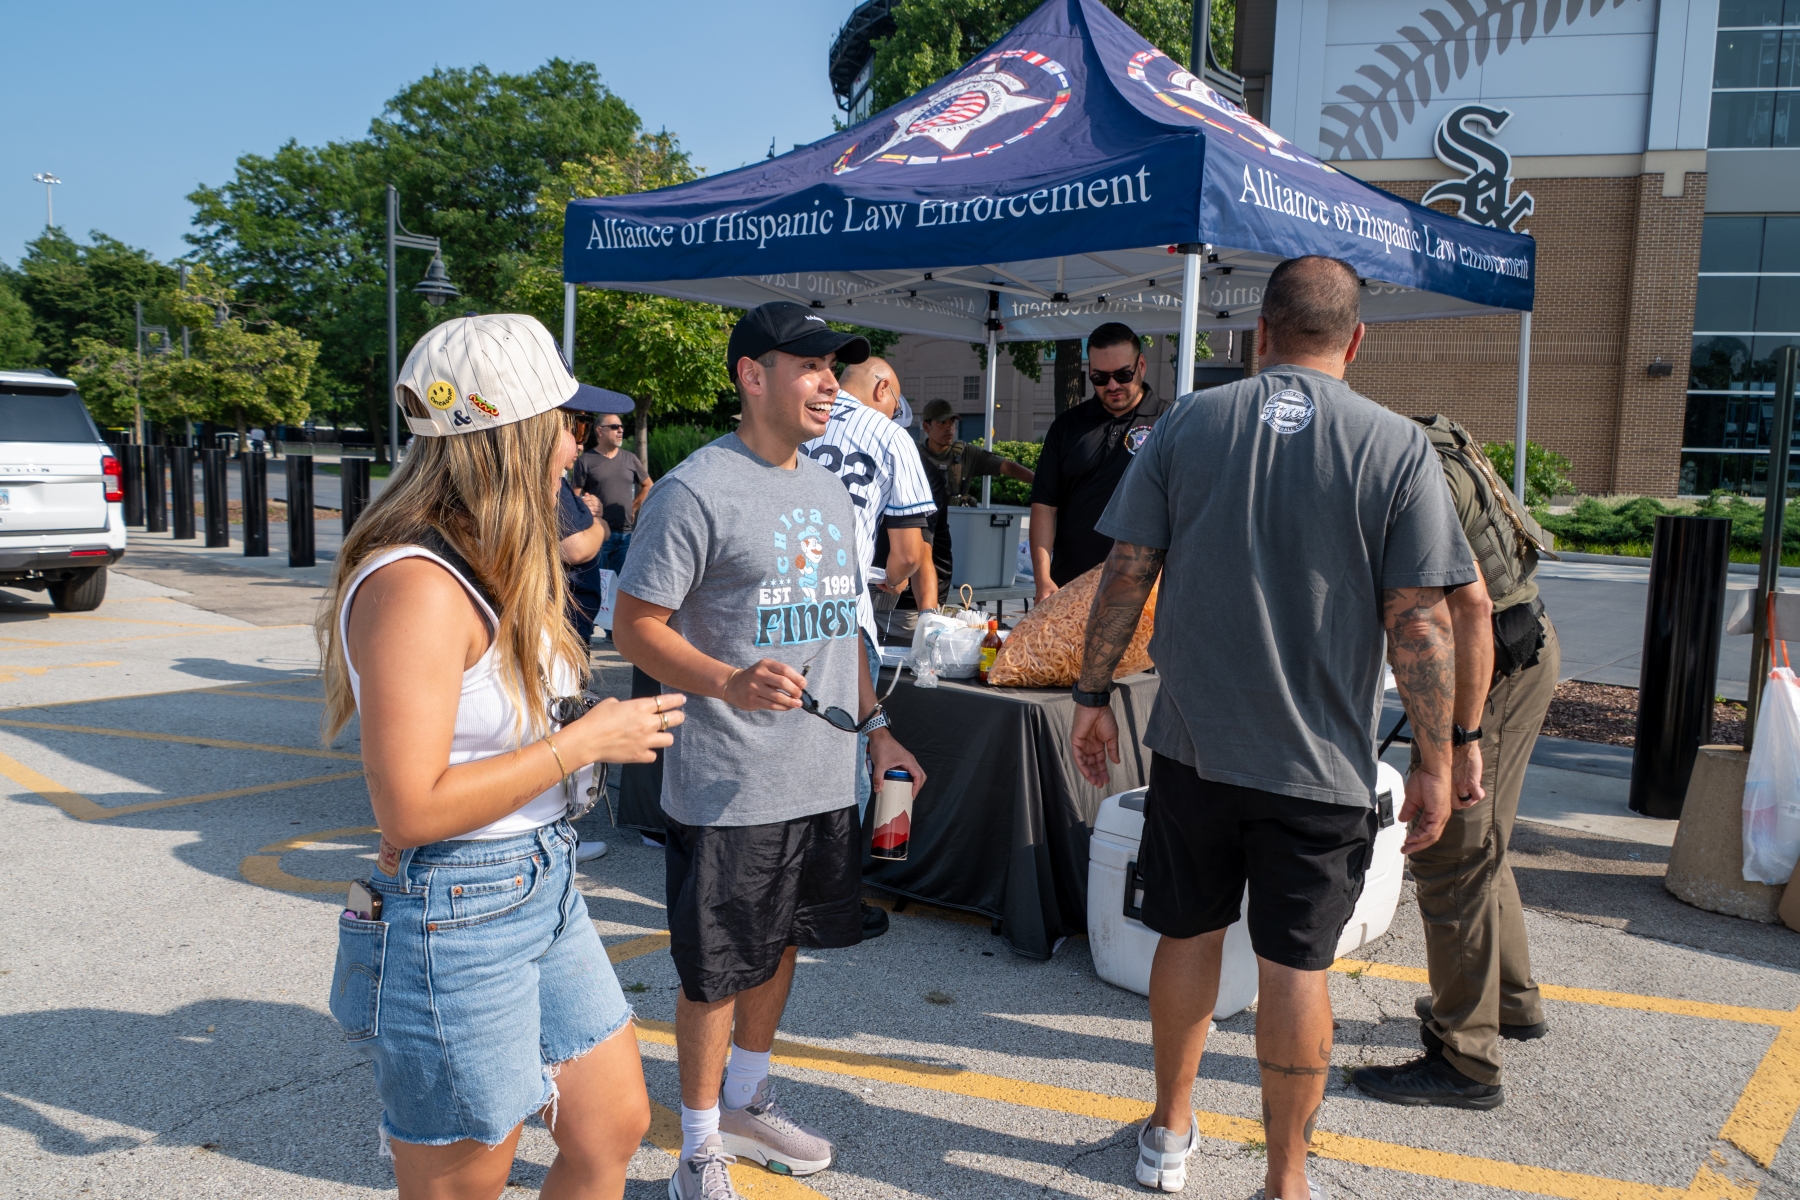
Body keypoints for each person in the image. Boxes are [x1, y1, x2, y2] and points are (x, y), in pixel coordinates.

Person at [1068, 258, 1472, 1199]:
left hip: (1194, 750)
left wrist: (1091, 694)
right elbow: (1421, 621)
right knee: (1296, 964)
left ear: (1259, 333)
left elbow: (1125, 570)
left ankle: (1170, 1130)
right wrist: (1438, 759)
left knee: (1186, 935)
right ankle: (1286, 1180)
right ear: (1356, 339)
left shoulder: (1188, 423)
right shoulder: (1395, 445)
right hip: (1322, 763)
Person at [317, 313, 683, 1200]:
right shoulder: (418, 583)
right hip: (458, 905)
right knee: (465, 1181)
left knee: (611, 1126)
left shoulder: (497, 554)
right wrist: (581, 743)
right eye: (566, 423)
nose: (577, 445)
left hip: (539, 878)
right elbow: (410, 808)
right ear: (514, 436)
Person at [612, 301, 926, 1200]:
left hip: (821, 776)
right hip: (732, 783)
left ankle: (747, 1101)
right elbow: (635, 626)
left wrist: (877, 730)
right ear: (753, 376)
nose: (831, 385)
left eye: (834, 367)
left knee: (782, 943)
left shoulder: (826, 490)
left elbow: (841, 627)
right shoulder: (695, 490)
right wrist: (728, 680)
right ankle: (697, 1148)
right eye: (811, 367)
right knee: (716, 969)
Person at [1349, 417, 1559, 1111]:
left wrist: (1457, 745)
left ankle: (1465, 1058)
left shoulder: (1409, 473)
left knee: (1453, 854)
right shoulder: (1410, 441)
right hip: (1516, 647)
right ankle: (1509, 1000)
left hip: (1485, 668)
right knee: (1483, 842)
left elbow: (1463, 612)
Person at [808, 356, 936, 934]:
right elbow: (908, 551)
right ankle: (829, 899)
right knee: (850, 757)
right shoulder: (888, 437)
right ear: (883, 387)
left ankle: (781, 891)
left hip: (775, 611)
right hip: (843, 611)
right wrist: (892, 578)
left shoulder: (790, 421)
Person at [1028, 322, 1169, 601]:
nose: (1112, 385)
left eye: (1123, 374)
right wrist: (1043, 579)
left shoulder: (1170, 421)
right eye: (1100, 377)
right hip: (1070, 589)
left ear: (1141, 365)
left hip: (1144, 594)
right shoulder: (1067, 427)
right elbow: (1044, 506)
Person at [915, 397, 1034, 586]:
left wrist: (1041, 483)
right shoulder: (912, 455)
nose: (949, 428)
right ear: (926, 427)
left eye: (952, 422)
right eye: (942, 423)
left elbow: (1007, 467)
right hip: (921, 532)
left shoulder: (965, 454)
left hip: (958, 534)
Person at [570, 384, 651, 575]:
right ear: (600, 431)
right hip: (598, 534)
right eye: (614, 427)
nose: (620, 430)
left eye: (621, 427)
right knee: (598, 583)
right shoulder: (585, 460)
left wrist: (633, 507)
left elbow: (648, 485)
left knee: (622, 583)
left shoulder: (630, 458)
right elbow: (574, 497)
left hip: (625, 535)